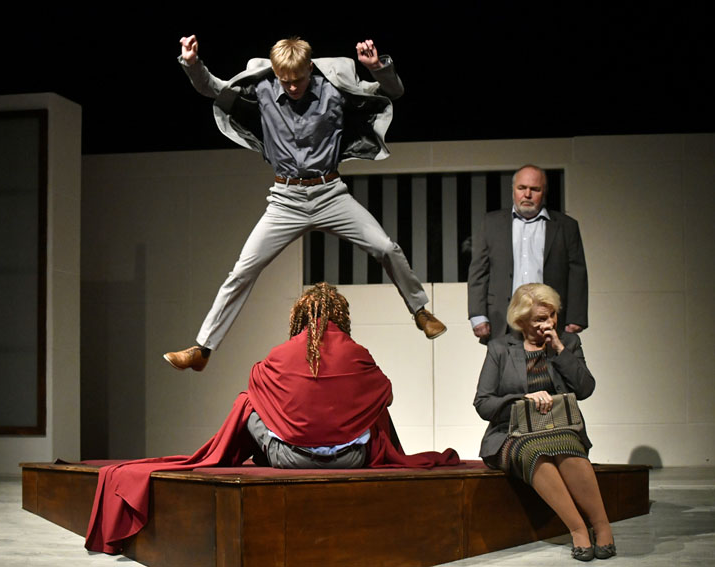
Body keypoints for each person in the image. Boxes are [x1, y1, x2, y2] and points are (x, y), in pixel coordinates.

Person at [86, 283, 459, 553]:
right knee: (372, 409)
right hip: (353, 458)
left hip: (288, 458)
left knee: (248, 400)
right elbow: (385, 393)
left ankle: (230, 455)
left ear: (300, 315)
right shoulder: (357, 352)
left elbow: (256, 382)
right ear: (341, 316)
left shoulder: (283, 352)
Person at [164, 35, 446, 372]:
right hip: (285, 200)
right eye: (285, 80)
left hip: (330, 194)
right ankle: (203, 349)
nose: (293, 87)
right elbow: (212, 87)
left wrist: (378, 68)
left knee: (386, 247)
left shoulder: (333, 89)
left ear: (310, 68)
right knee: (242, 270)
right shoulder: (263, 88)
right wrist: (192, 64)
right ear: (276, 73)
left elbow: (390, 93)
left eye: (298, 79)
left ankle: (420, 311)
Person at [473, 283, 615, 561]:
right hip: (513, 434)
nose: (548, 324)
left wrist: (560, 350)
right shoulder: (500, 348)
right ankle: (578, 530)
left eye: (552, 315)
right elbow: (483, 403)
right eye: (540, 319)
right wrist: (522, 398)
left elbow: (585, 389)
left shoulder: (568, 343)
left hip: (560, 427)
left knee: (567, 447)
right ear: (521, 320)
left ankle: (602, 527)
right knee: (534, 452)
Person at [467, 164, 588, 344]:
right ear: (513, 190)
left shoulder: (566, 226)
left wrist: (576, 317)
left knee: (549, 363)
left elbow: (577, 273)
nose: (527, 194)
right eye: (521, 188)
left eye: (535, 189)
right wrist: (478, 315)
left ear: (544, 192)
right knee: (504, 363)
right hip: (503, 319)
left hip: (550, 320)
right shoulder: (491, 223)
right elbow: (479, 272)